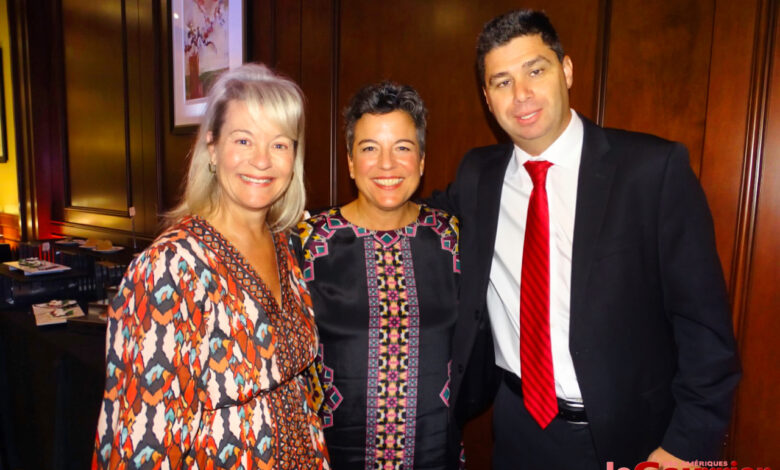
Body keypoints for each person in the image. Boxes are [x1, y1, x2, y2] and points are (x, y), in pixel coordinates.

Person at [430, 9, 741, 469]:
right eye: (502, 82)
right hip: (517, 428)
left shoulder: (652, 171)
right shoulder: (477, 176)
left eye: (535, 70)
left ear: (567, 70)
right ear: (487, 98)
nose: (521, 95)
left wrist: (683, 448)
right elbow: (409, 221)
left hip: (629, 438)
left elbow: (705, 330)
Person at [92, 63, 330, 469]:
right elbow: (143, 443)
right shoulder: (169, 269)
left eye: (279, 144)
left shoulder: (284, 246)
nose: (262, 161)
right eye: (243, 139)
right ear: (212, 148)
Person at [297, 82, 462, 468]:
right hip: (332, 458)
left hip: (437, 457)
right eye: (370, 148)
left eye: (402, 148)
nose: (387, 164)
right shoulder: (305, 243)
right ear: (351, 162)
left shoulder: (453, 238)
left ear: (421, 160)